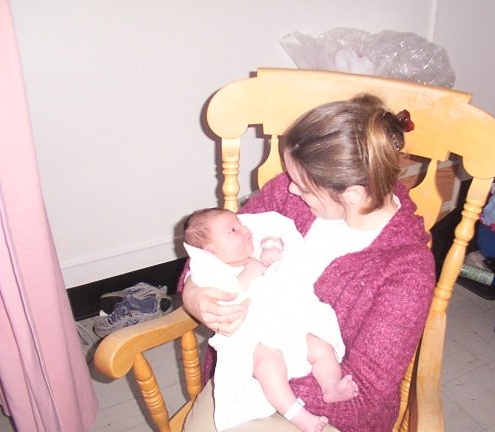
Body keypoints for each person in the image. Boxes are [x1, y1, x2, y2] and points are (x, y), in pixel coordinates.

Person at [181, 94, 436, 432]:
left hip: (328, 408)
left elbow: (364, 396)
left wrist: (265, 379)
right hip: (249, 374)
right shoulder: (288, 197)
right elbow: (212, 249)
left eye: (303, 186)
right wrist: (194, 295)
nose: (290, 189)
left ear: (353, 194)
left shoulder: (407, 270)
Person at [183, 208, 358, 432]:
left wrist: (272, 245)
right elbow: (225, 298)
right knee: (268, 366)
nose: (245, 230)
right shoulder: (215, 272)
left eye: (240, 224)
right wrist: (249, 272)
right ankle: (298, 415)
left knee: (321, 347)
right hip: (256, 339)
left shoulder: (256, 249)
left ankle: (331, 386)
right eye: (233, 230)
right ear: (211, 251)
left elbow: (279, 238)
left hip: (289, 326)